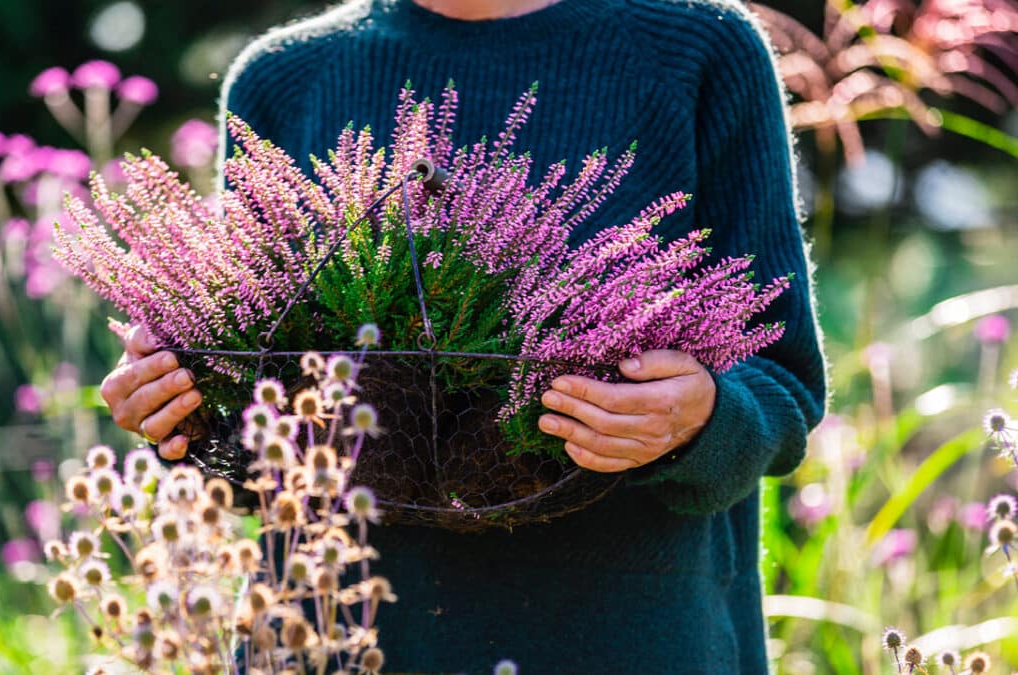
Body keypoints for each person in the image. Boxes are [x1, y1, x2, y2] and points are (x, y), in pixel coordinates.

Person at [100, 0, 828, 671]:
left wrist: (700, 416)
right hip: (339, 633)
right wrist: (183, 411)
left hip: (619, 634)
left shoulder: (697, 50)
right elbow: (260, 424)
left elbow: (783, 387)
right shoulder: (287, 80)